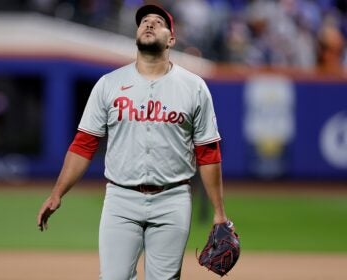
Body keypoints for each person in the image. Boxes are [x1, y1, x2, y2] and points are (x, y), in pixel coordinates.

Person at [37, 4, 232, 280]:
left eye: (158, 22)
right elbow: (83, 144)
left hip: (172, 198)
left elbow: (208, 152)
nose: (149, 24)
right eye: (144, 22)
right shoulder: (109, 84)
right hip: (120, 198)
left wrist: (219, 212)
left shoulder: (194, 86)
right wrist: (57, 192)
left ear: (171, 39)